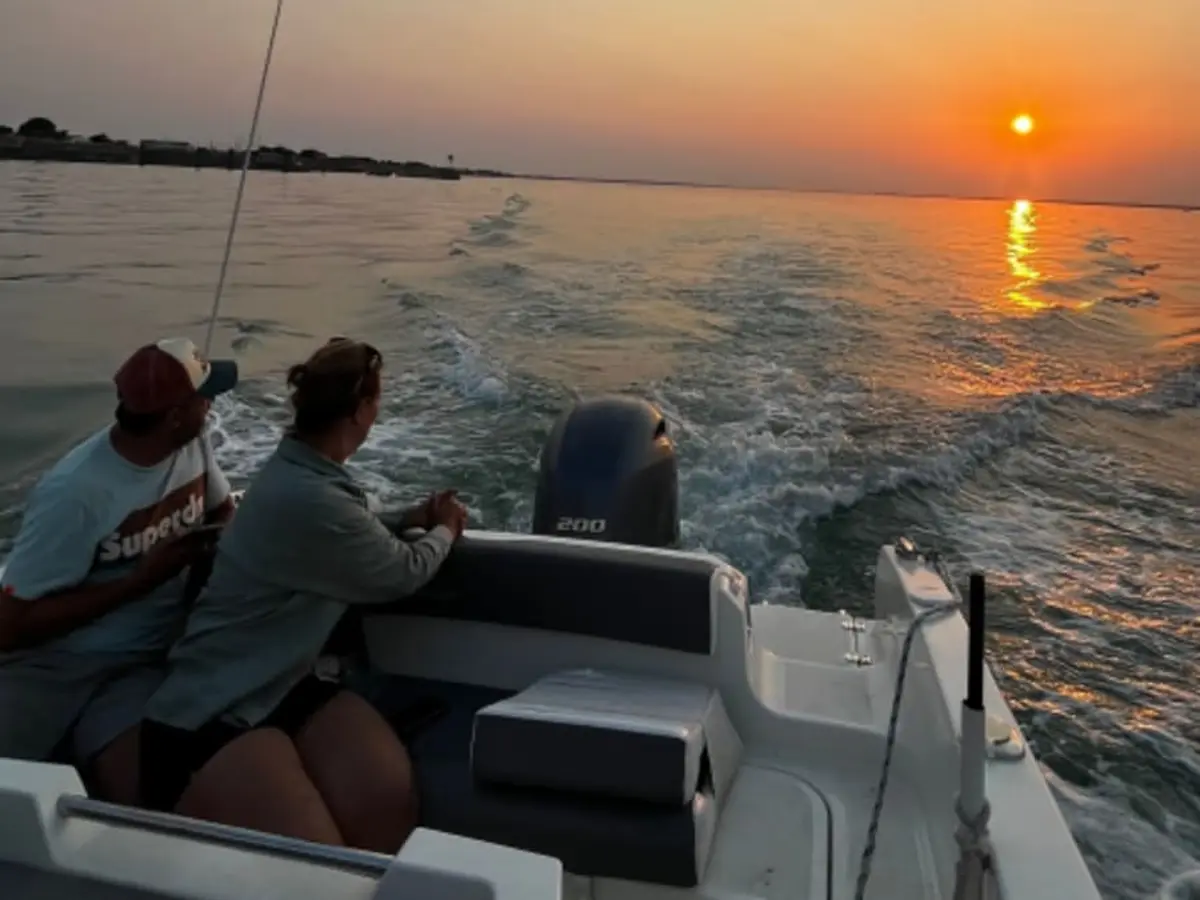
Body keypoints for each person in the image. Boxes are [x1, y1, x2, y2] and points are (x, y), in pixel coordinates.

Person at [140, 336, 467, 854]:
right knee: (319, 873)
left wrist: (408, 517)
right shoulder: (310, 495)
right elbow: (400, 571)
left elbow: (344, 527)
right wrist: (446, 529)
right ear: (361, 411)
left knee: (385, 796)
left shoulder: (298, 472)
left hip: (284, 681)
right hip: (213, 709)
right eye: (377, 400)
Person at [0, 338, 239, 804]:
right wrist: (139, 582)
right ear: (173, 415)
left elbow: (223, 513)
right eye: (203, 397)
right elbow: (9, 627)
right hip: (52, 667)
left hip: (141, 666)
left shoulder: (194, 445)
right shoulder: (76, 495)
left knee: (158, 799)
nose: (211, 406)